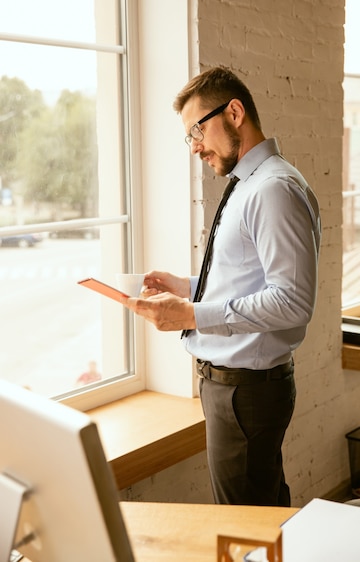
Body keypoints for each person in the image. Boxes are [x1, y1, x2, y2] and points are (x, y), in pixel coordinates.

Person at [127, 67, 321, 506]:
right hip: (237, 389)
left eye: (198, 129)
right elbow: (250, 279)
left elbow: (292, 301)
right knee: (262, 516)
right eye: (189, 136)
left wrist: (192, 314)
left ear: (234, 112)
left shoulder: (272, 189)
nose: (195, 147)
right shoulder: (251, 184)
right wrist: (190, 287)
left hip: (245, 392)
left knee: (243, 529)